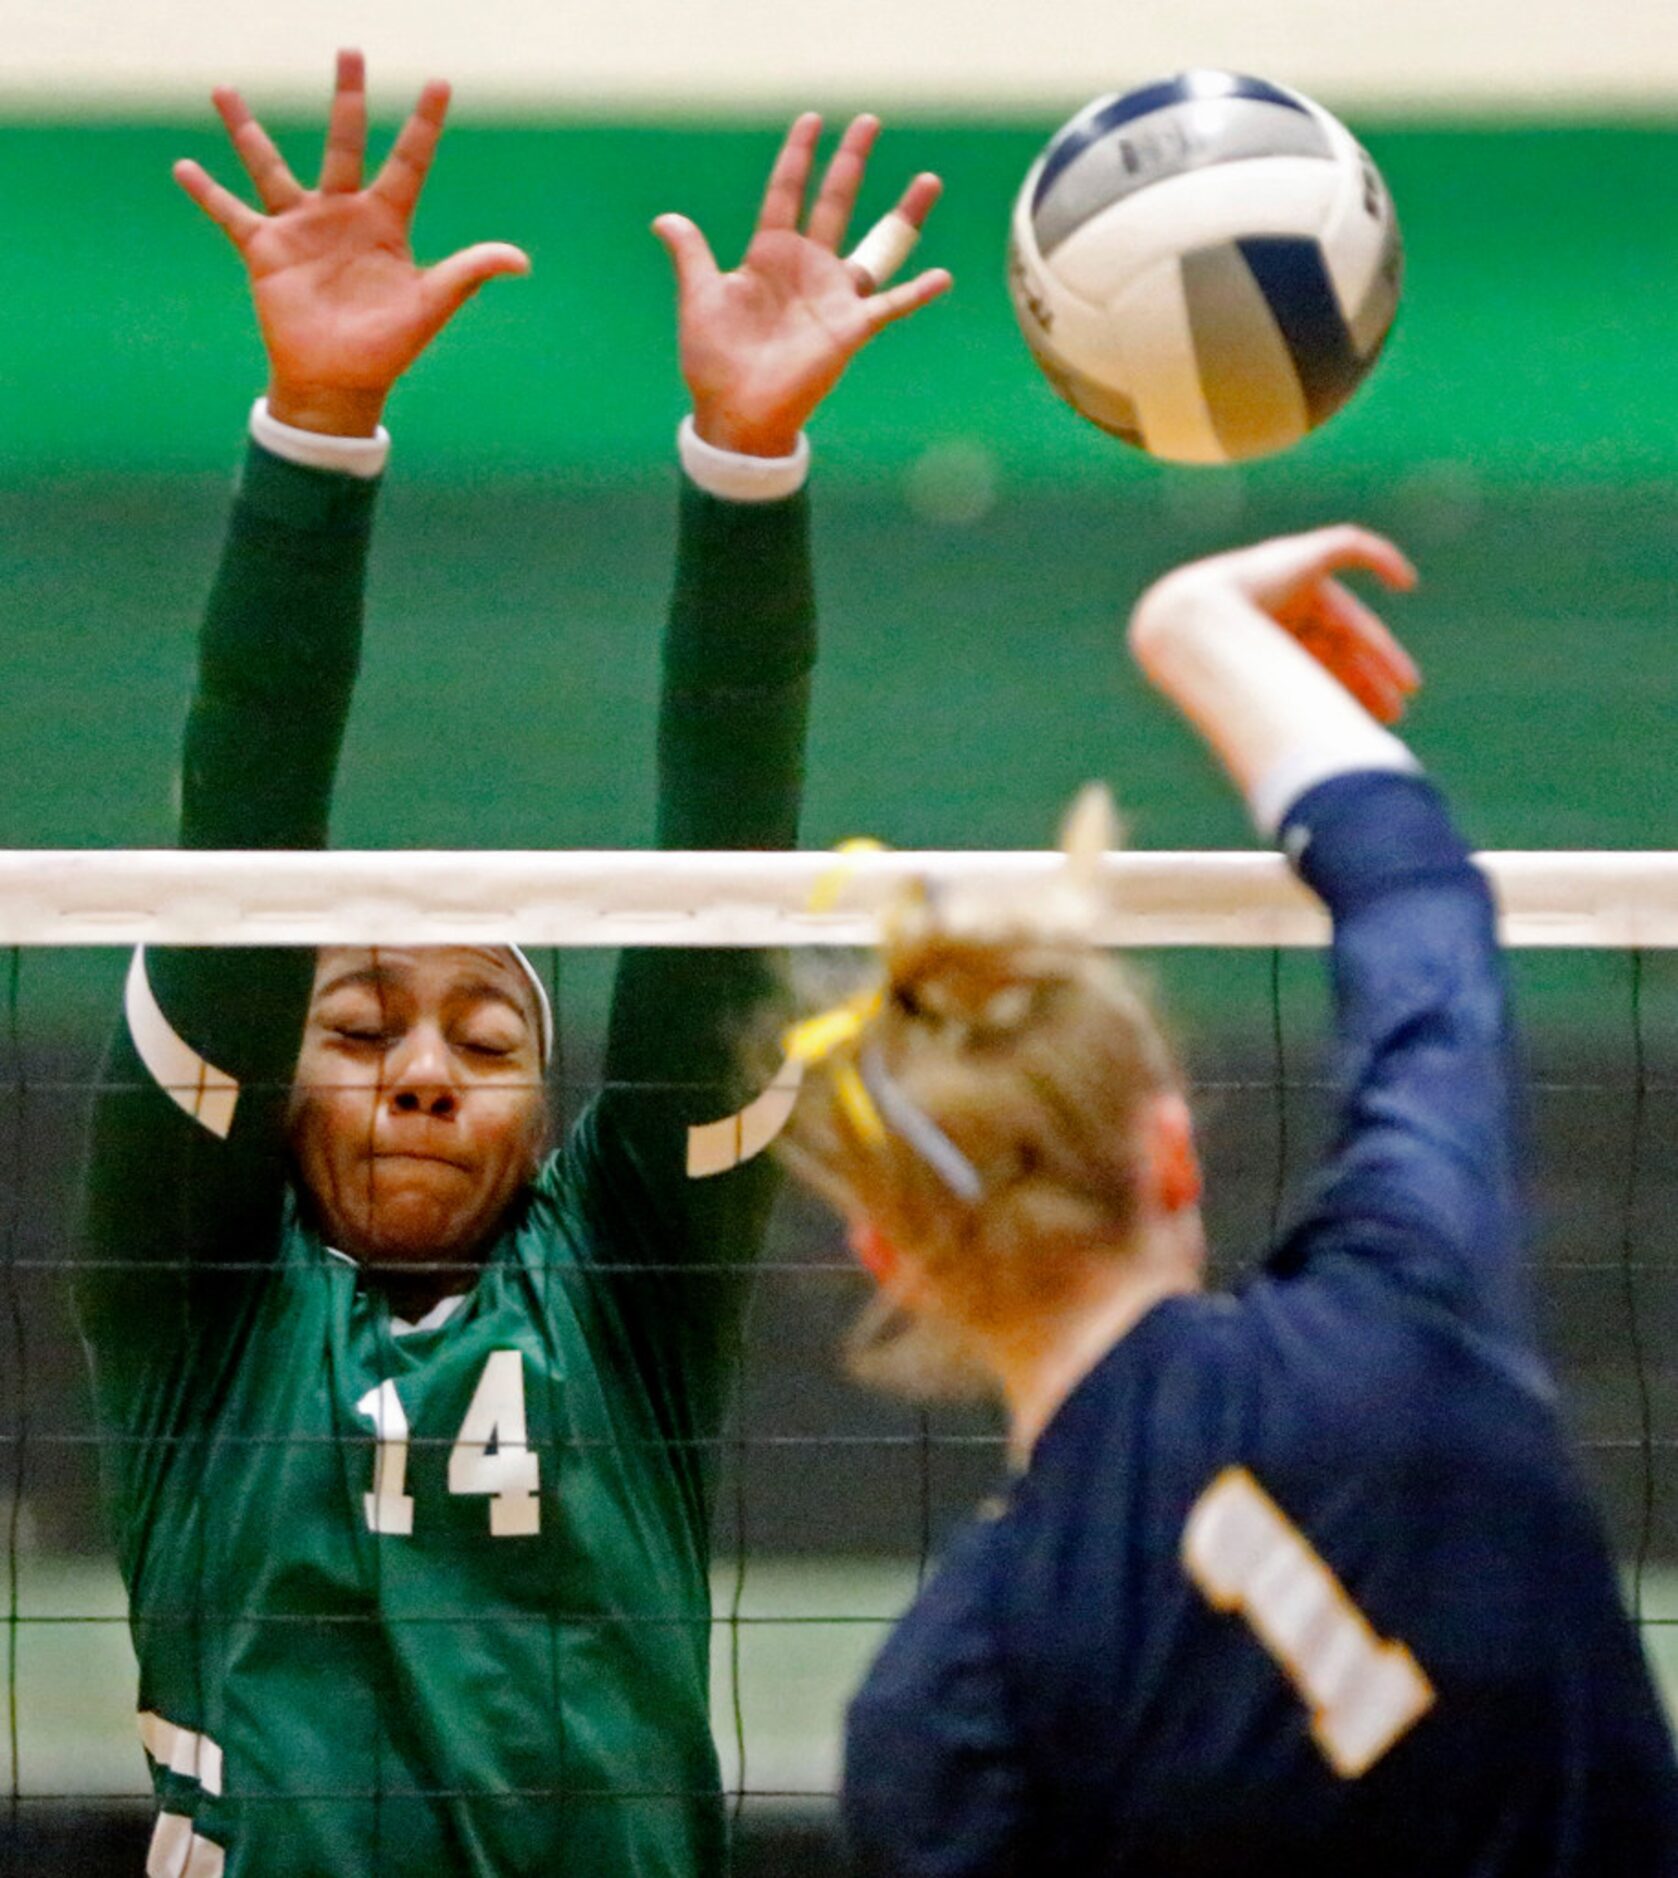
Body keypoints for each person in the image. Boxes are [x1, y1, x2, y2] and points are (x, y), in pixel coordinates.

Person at [78, 50, 949, 1878]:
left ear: (559, 1112)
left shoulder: (621, 1293)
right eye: (355, 1025)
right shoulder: (194, 1301)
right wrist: (312, 424)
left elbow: (717, 880)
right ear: (269, 1076)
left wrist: (746, 468)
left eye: (484, 1034)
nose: (416, 1065)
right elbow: (237, 845)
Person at [781, 526, 1678, 1874]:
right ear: (1170, 1149)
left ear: (890, 1256)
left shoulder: (953, 1693)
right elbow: (1418, 901)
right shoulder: (1402, 1301)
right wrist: (1195, 627)